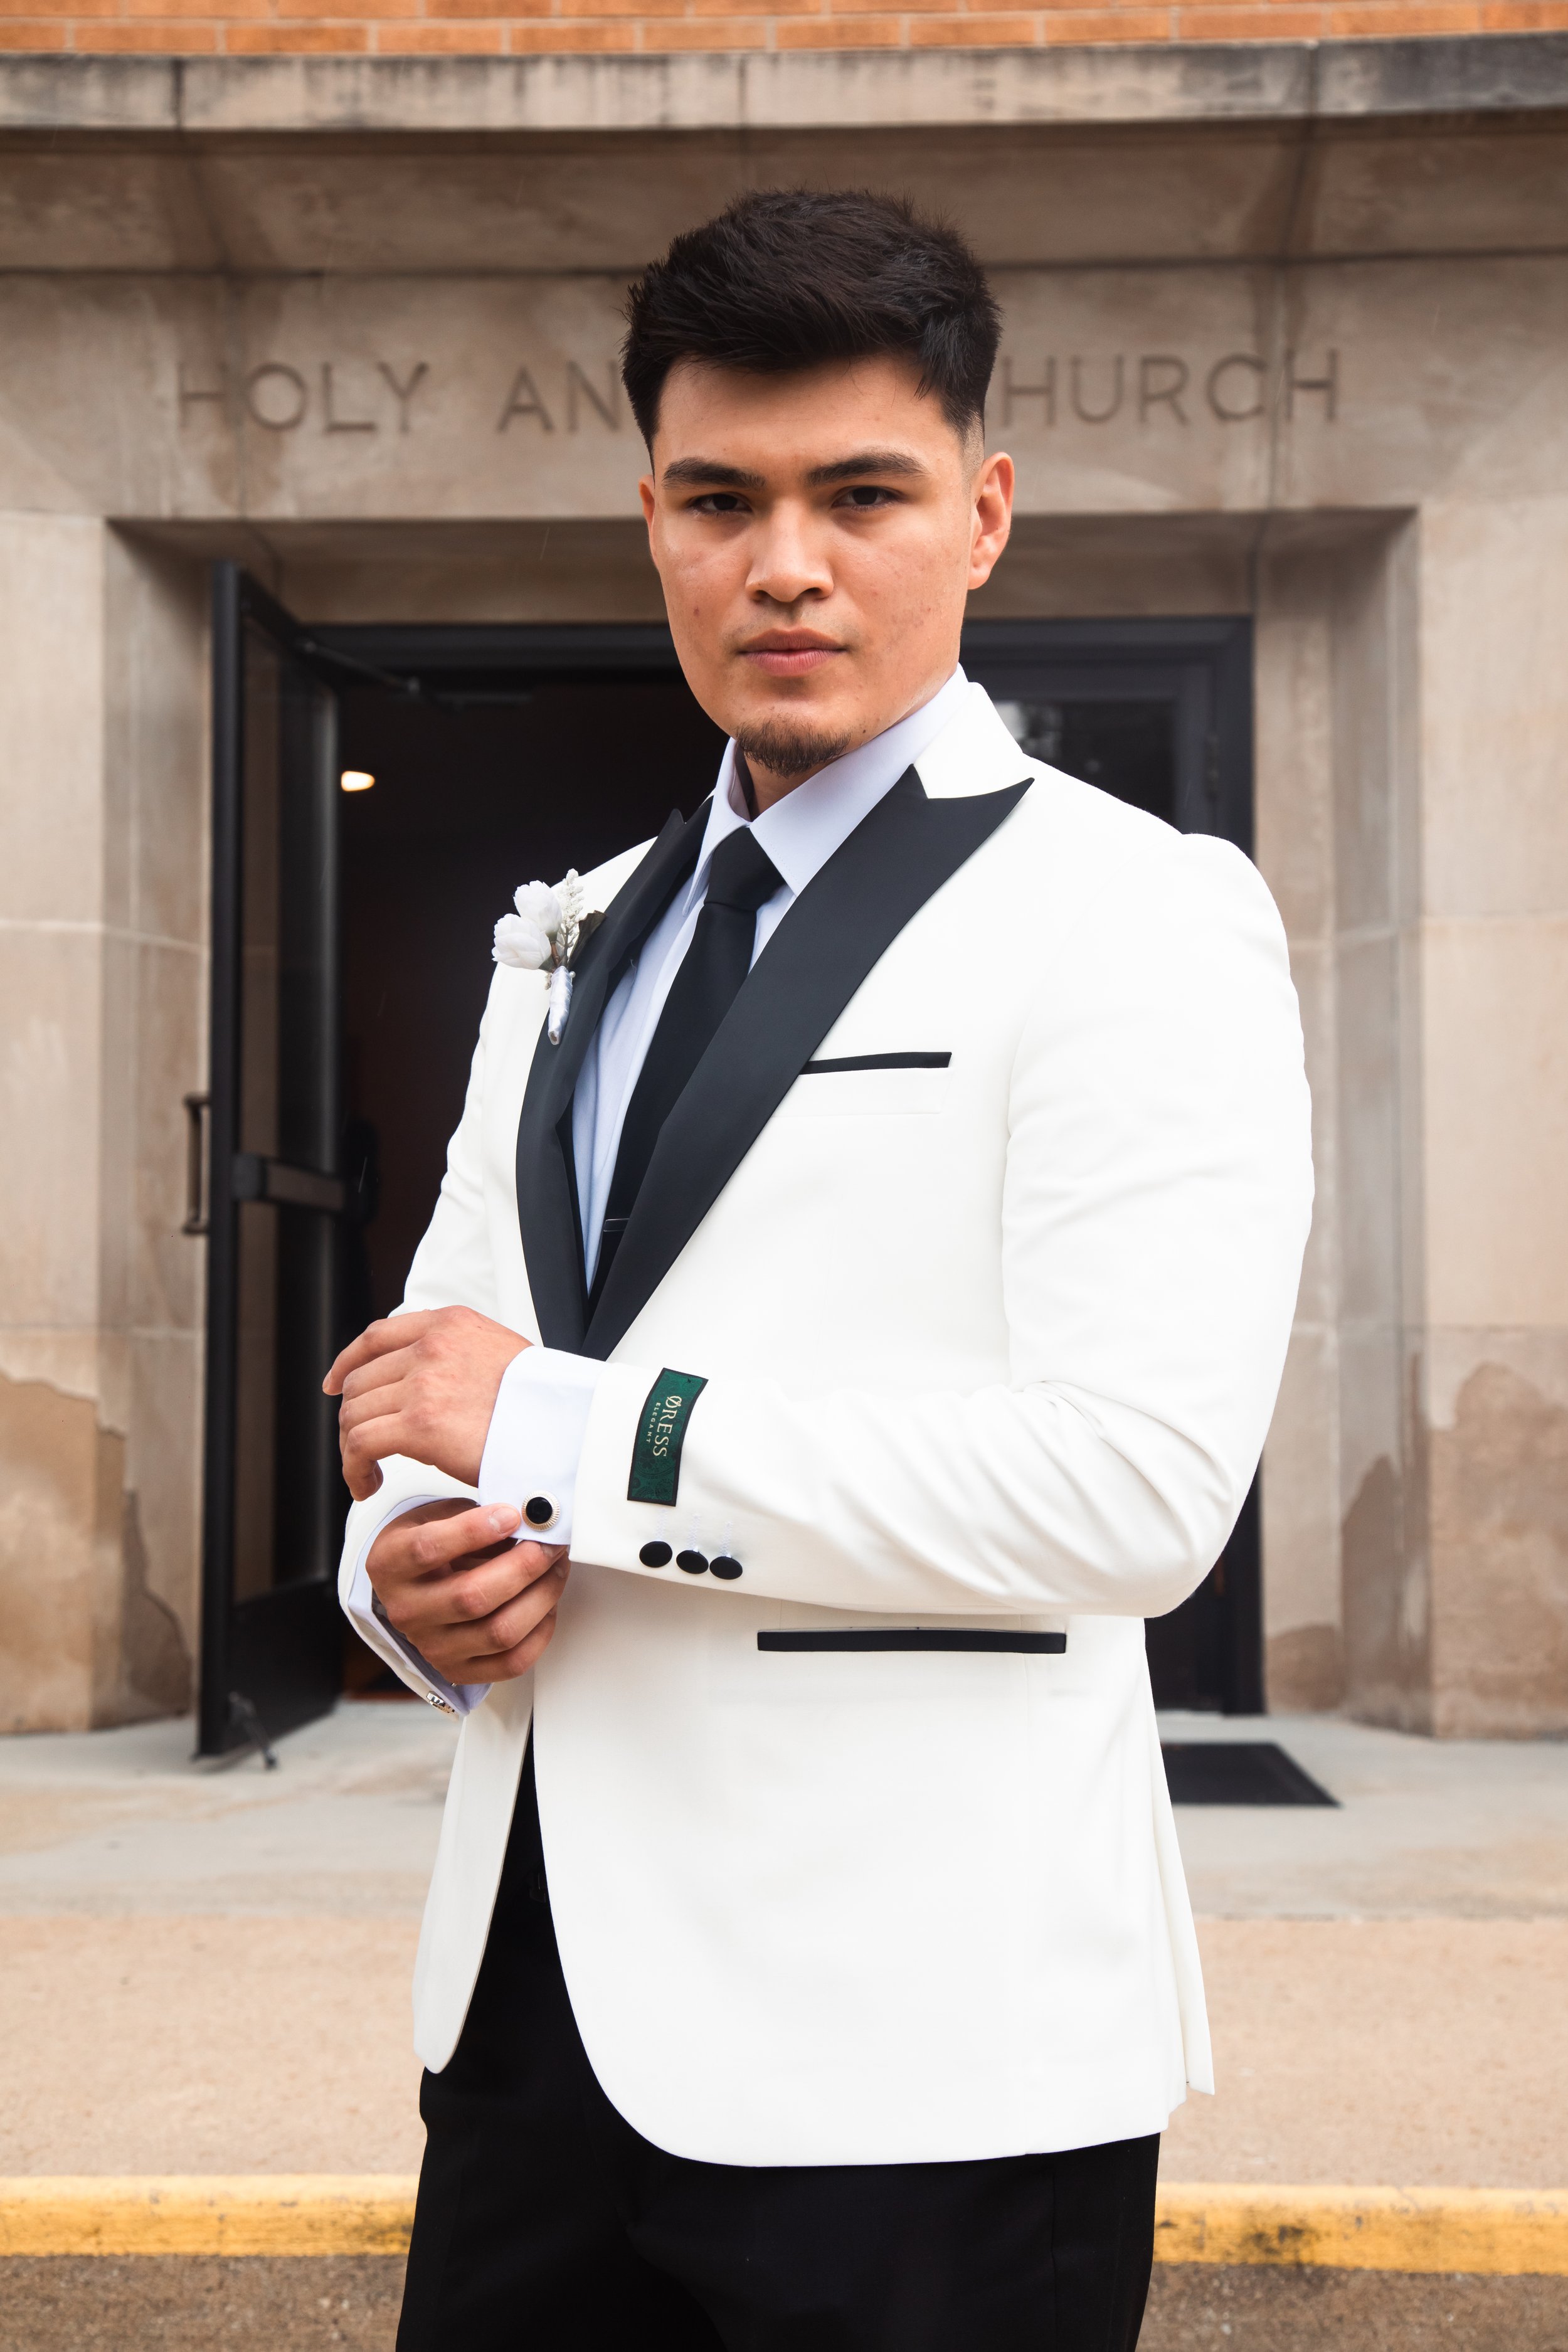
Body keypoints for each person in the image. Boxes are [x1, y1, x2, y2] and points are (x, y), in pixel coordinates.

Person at [325, 188, 1313, 2351]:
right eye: (720, 498)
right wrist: (401, 1588)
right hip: (528, 2036)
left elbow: (1130, 1492)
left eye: (858, 493)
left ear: (981, 514)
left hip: (923, 2066)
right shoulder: (568, 926)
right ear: (651, 522)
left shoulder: (1134, 912)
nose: (785, 562)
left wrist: (564, 1433)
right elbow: (443, 1385)